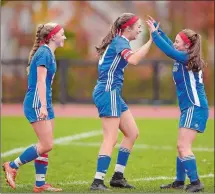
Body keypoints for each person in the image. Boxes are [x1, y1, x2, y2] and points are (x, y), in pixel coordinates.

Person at [90, 13, 158, 191]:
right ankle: (97, 181)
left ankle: (117, 177)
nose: (140, 29)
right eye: (138, 27)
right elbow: (134, 59)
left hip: (112, 93)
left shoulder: (120, 41)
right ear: (127, 28)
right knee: (110, 138)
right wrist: (152, 40)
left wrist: (153, 39)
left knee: (132, 133)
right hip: (108, 92)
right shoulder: (120, 41)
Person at [146, 15, 209, 192]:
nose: (174, 43)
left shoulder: (186, 57)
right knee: (180, 147)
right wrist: (159, 30)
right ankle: (180, 182)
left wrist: (155, 35)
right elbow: (170, 45)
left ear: (187, 45)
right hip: (189, 108)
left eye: (177, 41)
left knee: (183, 146)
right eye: (174, 41)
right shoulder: (183, 55)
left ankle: (196, 183)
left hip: (194, 107)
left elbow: (169, 50)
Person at [2, 22, 66, 193]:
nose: (65, 37)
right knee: (46, 145)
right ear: (52, 37)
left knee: (44, 144)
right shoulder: (44, 52)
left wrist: (47, 105)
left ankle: (40, 184)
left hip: (45, 102)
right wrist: (43, 106)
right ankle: (12, 165)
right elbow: (40, 82)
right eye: (62, 33)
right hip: (37, 103)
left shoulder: (48, 52)